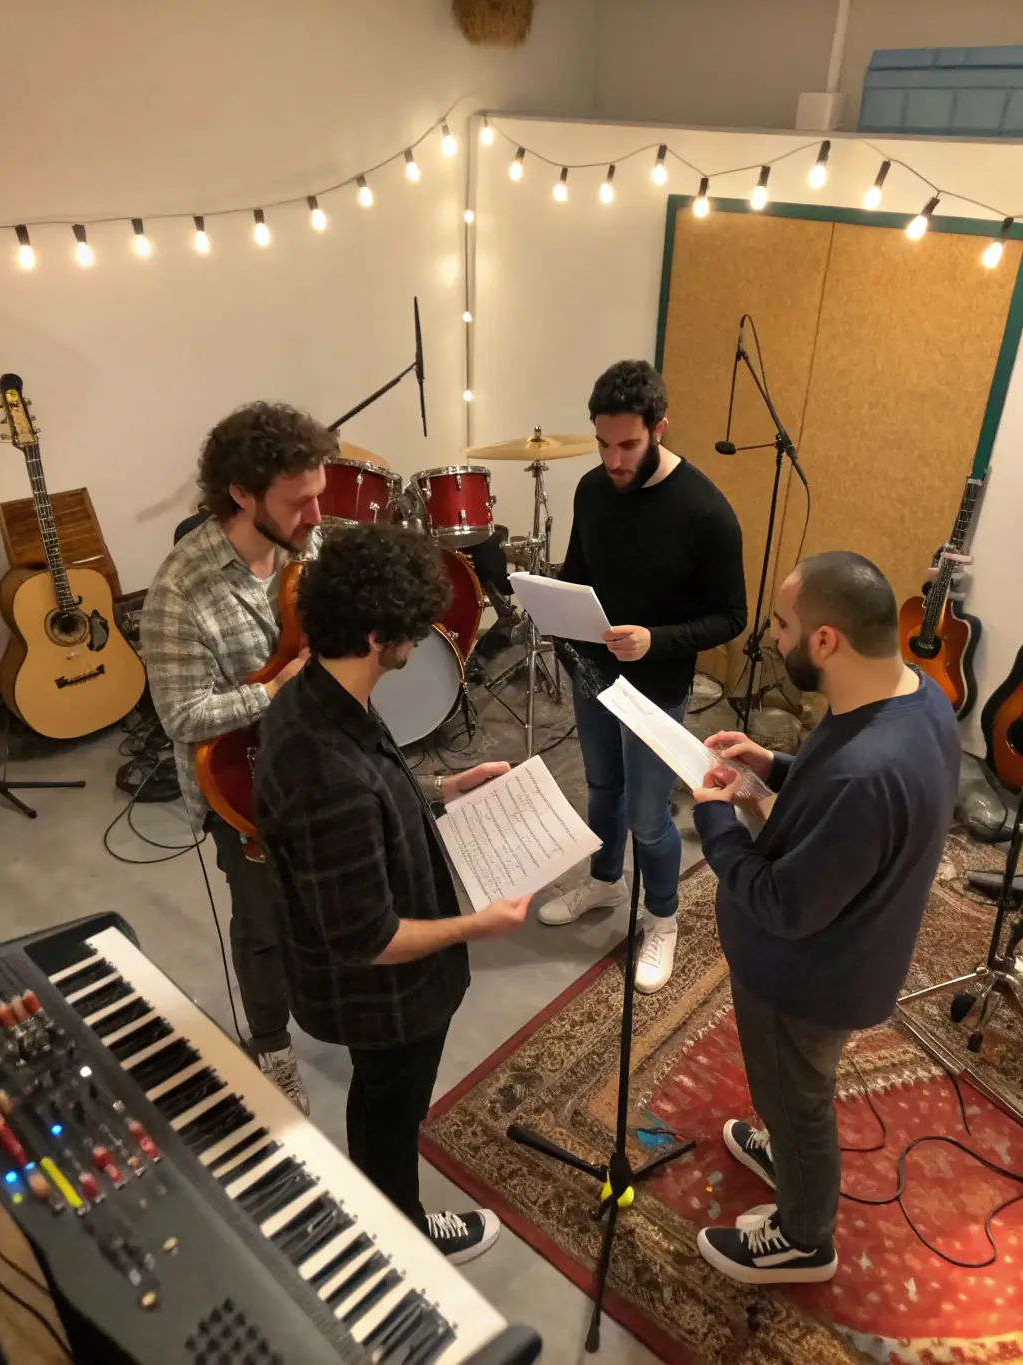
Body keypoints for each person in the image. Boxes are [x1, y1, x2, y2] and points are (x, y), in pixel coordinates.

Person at [252, 524, 531, 1264]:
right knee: (393, 1100)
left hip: (381, 985)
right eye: (413, 627)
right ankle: (400, 1236)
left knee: (379, 1099)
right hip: (386, 995)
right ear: (378, 634)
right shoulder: (327, 769)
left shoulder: (320, 692)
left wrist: (443, 787)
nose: (425, 638)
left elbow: (375, 797)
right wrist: (477, 923)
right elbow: (368, 938)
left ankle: (387, 1213)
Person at [690, 551, 959, 1285]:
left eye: (782, 624)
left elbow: (784, 903)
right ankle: (789, 1150)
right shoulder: (917, 697)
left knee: (798, 1097)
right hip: (852, 943)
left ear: (827, 640)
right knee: (796, 1096)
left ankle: (805, 1236)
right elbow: (832, 771)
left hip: (806, 977)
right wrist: (772, 765)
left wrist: (715, 820)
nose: (772, 637)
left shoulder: (869, 775)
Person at [142, 401, 333, 1115]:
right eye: (300, 500)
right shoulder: (178, 593)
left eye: (318, 493)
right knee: (263, 925)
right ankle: (272, 1044)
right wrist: (276, 690)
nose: (317, 514)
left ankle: (323, 997)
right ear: (243, 495)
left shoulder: (303, 548)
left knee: (320, 899)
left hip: (317, 762)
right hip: (241, 787)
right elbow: (182, 714)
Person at [541, 359, 747, 994]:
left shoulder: (706, 512)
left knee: (650, 816)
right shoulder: (591, 491)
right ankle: (605, 883)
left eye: (627, 445)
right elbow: (579, 568)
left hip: (656, 688)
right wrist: (552, 601)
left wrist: (656, 640)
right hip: (593, 676)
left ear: (661, 428)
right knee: (603, 791)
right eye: (603, 444)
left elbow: (731, 616)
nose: (613, 460)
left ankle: (663, 917)